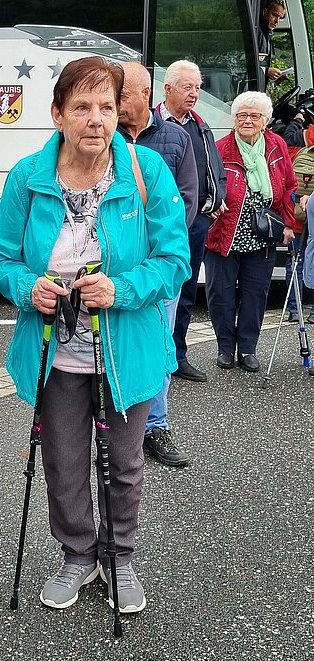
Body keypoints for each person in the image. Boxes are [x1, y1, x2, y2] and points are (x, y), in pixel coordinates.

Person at [0, 56, 190, 616]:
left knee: (124, 463)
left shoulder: (146, 171)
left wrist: (119, 289)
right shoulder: (28, 176)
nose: (96, 119)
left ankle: (120, 557)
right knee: (63, 462)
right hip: (54, 351)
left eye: (107, 106)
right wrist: (28, 287)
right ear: (58, 114)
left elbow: (175, 259)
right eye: (81, 107)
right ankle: (78, 555)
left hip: (127, 348)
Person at [118, 61, 198, 469]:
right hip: (117, 268)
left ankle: (155, 427)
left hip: (159, 267)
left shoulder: (176, 137)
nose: (112, 104)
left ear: (144, 94)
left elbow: (187, 199)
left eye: (120, 95)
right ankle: (115, 426)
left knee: (159, 347)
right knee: (112, 345)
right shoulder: (105, 135)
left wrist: (156, 248)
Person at [204, 91, 297, 372]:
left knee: (255, 294)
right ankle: (225, 348)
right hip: (223, 234)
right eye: (241, 115)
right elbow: (206, 186)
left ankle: (247, 349)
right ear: (234, 118)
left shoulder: (276, 146)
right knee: (220, 295)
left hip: (262, 237)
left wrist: (288, 223)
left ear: (265, 120)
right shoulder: (220, 149)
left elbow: (289, 186)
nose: (247, 120)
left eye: (254, 116)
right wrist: (212, 205)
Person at [156, 60, 227, 382]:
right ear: (167, 88)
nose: (194, 94)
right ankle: (152, 357)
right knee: (158, 292)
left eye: (197, 88)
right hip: (160, 225)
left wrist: (217, 196)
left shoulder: (200, 126)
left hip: (195, 222)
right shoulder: (153, 125)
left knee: (185, 292)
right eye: (187, 87)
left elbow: (215, 168)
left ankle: (177, 356)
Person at [280, 110, 314, 323]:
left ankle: (294, 309)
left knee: (295, 262)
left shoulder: (301, 140)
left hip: (297, 214)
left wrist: (297, 120)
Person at [256, 0, 287, 88]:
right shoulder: (257, 33)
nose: (277, 21)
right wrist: (266, 71)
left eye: (280, 18)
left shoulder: (266, 35)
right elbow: (244, 62)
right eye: (275, 15)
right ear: (265, 12)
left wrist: (272, 75)